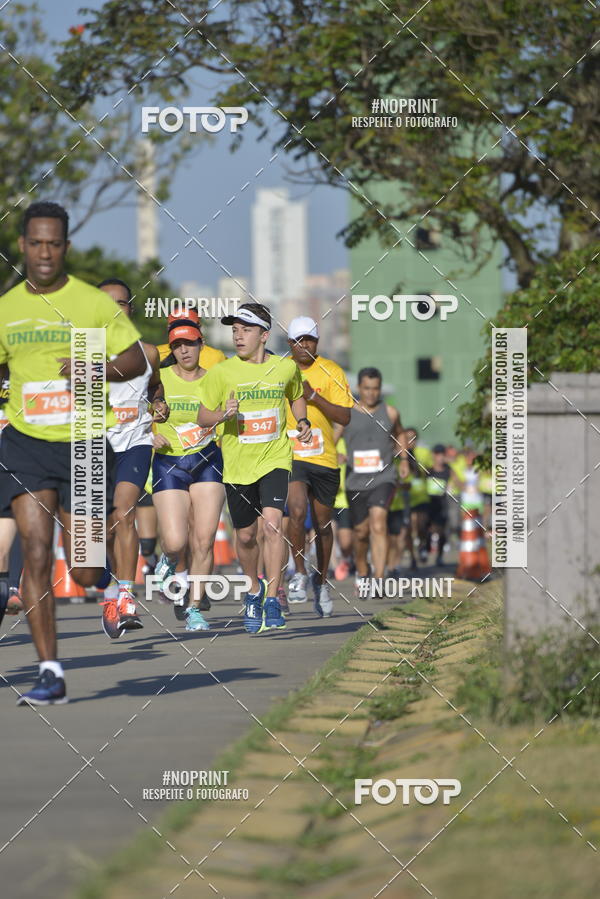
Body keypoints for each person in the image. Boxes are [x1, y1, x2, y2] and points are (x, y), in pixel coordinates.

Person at [0, 201, 145, 705]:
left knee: (82, 569)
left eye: (54, 243)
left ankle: (109, 587)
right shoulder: (7, 308)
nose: (44, 252)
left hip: (83, 442)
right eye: (36, 243)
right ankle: (50, 672)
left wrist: (96, 370)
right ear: (23, 245)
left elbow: (134, 358)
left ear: (66, 247)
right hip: (25, 445)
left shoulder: (91, 304)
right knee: (36, 552)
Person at [196, 302, 311, 633]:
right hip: (236, 466)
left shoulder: (285, 368)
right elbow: (202, 416)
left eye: (245, 330)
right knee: (246, 536)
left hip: (275, 459)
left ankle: (273, 597)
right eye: (234, 330)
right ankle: (252, 588)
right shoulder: (222, 372)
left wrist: (301, 419)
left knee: (273, 526)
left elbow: (297, 394)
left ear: (264, 335)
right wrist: (222, 416)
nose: (238, 336)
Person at [98, 278, 169, 638]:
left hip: (136, 443)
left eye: (121, 303)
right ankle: (107, 584)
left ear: (130, 309)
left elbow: (156, 386)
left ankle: (125, 595)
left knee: (125, 513)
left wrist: (159, 403)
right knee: (100, 527)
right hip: (95, 446)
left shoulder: (149, 352)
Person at [152, 313, 225, 631]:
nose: (184, 350)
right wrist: (149, 434)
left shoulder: (217, 378)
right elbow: (135, 417)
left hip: (207, 460)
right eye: (177, 345)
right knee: (175, 540)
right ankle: (166, 562)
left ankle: (195, 607)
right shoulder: (160, 379)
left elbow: (230, 420)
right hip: (169, 463)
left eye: (190, 344)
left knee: (205, 539)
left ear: (201, 344)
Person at [285, 316, 352, 616]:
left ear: (317, 342)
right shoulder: (280, 370)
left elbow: (345, 417)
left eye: (309, 339)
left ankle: (321, 581)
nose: (304, 345)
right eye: (298, 340)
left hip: (324, 458)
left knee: (323, 525)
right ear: (289, 344)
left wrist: (314, 397)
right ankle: (299, 572)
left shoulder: (331, 370)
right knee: (296, 510)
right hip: (291, 456)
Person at [340, 367, 409, 597]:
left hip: (384, 477)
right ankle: (362, 568)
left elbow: (400, 434)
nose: (371, 393)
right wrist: (335, 456)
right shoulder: (347, 412)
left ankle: (379, 579)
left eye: (376, 388)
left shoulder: (390, 412)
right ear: (359, 388)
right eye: (367, 388)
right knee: (360, 532)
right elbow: (331, 439)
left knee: (379, 523)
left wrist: (404, 459)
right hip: (355, 481)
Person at [426, 444, 453, 565]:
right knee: (427, 528)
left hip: (442, 503)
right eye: (438, 455)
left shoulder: (448, 470)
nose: (440, 458)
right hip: (428, 503)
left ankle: (440, 556)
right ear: (433, 455)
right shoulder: (428, 470)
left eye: (442, 455)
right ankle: (425, 548)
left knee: (441, 531)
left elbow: (460, 483)